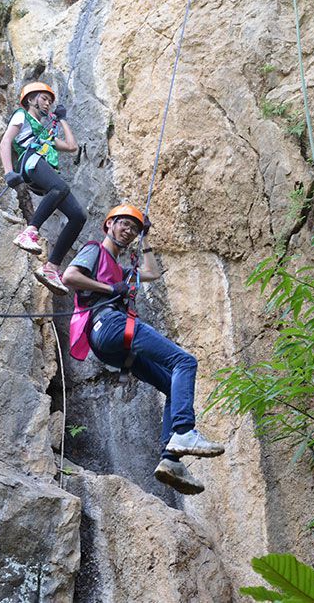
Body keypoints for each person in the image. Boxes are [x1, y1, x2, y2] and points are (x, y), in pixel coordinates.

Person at [63, 204, 225, 495]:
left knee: (170, 385)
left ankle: (170, 460)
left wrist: (145, 238)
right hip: (109, 324)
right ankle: (185, 431)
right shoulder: (94, 251)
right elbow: (70, 276)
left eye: (134, 228)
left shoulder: (120, 268)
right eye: (124, 224)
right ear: (109, 224)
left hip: (108, 342)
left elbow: (152, 273)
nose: (129, 231)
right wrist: (111, 289)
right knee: (184, 362)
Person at [0, 81, 86, 295]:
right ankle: (29, 232)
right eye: (44, 98)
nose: (48, 103)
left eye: (50, 100)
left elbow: (72, 147)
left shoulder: (45, 132)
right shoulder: (22, 115)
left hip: (40, 166)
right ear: (31, 100)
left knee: (78, 216)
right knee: (60, 187)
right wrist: (8, 171)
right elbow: (6, 141)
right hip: (31, 162)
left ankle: (51, 268)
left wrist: (62, 119)